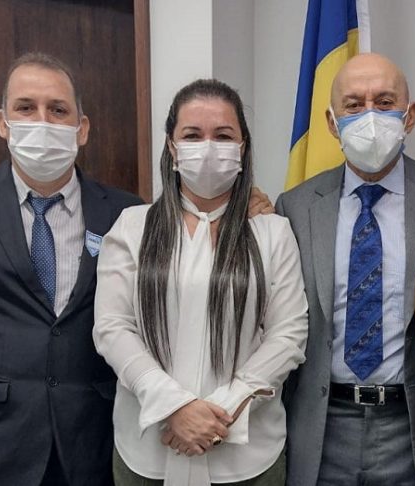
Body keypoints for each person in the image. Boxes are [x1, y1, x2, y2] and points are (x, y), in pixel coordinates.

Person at [0, 52, 143, 485]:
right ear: (2, 122)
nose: (42, 121)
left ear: (82, 128)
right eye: (26, 108)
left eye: (58, 110)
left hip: (93, 451)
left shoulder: (126, 212)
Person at [93, 78, 308, 486]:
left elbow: (289, 333)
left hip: (248, 458)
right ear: (172, 148)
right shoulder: (132, 228)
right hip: (148, 453)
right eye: (192, 135)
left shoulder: (273, 233)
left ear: (243, 147)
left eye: (223, 135)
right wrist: (173, 407)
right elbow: (113, 328)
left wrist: (221, 411)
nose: (208, 147)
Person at [276, 53, 415, 486]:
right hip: (322, 425)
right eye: (353, 105)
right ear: (332, 122)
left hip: (414, 425)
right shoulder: (296, 207)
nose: (369, 116)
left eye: (384, 102)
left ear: (410, 116)